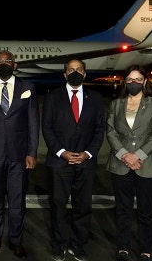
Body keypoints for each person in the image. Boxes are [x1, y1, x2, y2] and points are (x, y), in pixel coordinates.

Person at [0, 50, 40, 260]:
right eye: (0, 61)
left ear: (15, 65)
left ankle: (16, 241)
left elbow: (32, 123)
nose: (4, 64)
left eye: (8, 61)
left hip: (19, 155)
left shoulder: (27, 88)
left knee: (17, 200)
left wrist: (32, 152)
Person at [42, 59, 105, 261]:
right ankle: (59, 244)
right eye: (71, 70)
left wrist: (88, 153)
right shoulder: (53, 97)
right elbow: (47, 128)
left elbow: (99, 130)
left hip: (86, 162)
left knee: (83, 206)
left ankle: (78, 244)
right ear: (65, 74)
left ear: (85, 74)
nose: (75, 72)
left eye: (79, 69)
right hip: (60, 162)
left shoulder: (95, 98)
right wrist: (62, 152)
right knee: (58, 205)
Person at [106, 65, 152, 261]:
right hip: (120, 164)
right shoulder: (116, 104)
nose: (134, 82)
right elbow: (111, 131)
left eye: (138, 79)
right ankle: (123, 247)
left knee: (146, 210)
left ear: (145, 82)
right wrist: (124, 155)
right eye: (130, 79)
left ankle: (145, 248)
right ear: (125, 81)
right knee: (123, 209)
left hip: (146, 164)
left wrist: (137, 155)